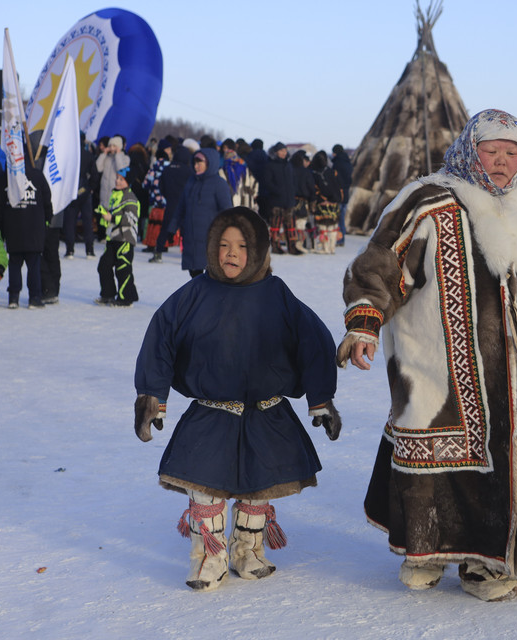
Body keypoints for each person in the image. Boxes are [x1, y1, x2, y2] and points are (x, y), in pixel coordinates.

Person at [339, 108, 517, 601]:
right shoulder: (426, 202)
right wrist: (365, 323)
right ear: (468, 149)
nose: (501, 162)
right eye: (491, 150)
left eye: (512, 153)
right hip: (433, 368)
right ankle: (428, 549)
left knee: (503, 458)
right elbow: (377, 268)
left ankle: (488, 565)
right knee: (434, 457)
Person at [133, 206, 340, 592]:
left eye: (243, 246)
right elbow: (160, 339)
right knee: (205, 489)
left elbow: (313, 342)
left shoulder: (277, 295)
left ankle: (248, 549)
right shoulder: (194, 294)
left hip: (266, 412)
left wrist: (321, 398)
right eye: (224, 245)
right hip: (212, 414)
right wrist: (152, 396)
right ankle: (209, 557)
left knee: (257, 490)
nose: (231, 253)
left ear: (259, 250)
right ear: (211, 248)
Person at [0, 151, 53, 309]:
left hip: (13, 230)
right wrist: (47, 221)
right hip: (35, 229)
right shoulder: (38, 176)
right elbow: (48, 201)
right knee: (34, 265)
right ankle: (34, 297)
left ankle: (14, 297)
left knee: (14, 264)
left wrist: (1, 227)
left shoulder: (6, 178)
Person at [165, 148, 233, 278]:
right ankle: (199, 298)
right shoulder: (191, 182)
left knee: (212, 275)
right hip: (191, 237)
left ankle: (210, 298)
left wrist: (229, 234)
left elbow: (227, 212)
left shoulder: (219, 184)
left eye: (199, 163)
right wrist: (172, 228)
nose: (196, 167)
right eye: (194, 163)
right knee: (195, 275)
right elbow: (181, 207)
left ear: (209, 163)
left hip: (211, 239)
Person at [95, 166, 139, 307]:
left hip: (125, 239)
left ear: (128, 182)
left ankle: (126, 298)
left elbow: (131, 218)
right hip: (113, 239)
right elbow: (110, 218)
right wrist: (103, 216)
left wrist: (111, 217)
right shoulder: (115, 195)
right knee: (104, 266)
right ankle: (107, 294)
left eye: (121, 179)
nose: (117, 181)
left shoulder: (131, 197)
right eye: (117, 178)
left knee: (123, 268)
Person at [62, 132, 99, 258]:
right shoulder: (89, 155)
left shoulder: (69, 155)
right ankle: (89, 250)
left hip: (71, 191)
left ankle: (70, 250)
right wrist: (90, 188)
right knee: (87, 221)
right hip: (85, 191)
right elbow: (95, 174)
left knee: (70, 221)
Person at [264, 143, 298, 255]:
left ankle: (292, 246)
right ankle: (275, 246)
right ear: (276, 152)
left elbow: (293, 181)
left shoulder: (289, 165)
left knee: (291, 225)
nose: (283, 153)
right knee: (275, 226)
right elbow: (267, 182)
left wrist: (293, 193)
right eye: (281, 151)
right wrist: (277, 191)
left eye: (285, 150)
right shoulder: (270, 165)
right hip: (276, 200)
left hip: (289, 200)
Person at [309, 150, 342, 254]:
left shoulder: (313, 173)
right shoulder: (333, 172)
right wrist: (335, 199)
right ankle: (332, 248)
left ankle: (325, 248)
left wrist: (321, 199)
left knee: (323, 227)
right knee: (333, 227)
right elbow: (339, 187)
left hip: (321, 204)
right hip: (334, 204)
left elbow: (314, 189)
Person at [220, 138, 258, 211]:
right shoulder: (243, 168)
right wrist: (253, 194)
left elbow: (252, 183)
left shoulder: (223, 170)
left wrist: (253, 193)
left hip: (238, 203)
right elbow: (253, 183)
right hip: (242, 205)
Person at [331, 144, 352, 246]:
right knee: (342, 218)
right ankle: (342, 239)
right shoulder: (348, 163)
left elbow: (335, 180)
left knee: (338, 219)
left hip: (339, 194)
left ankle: (338, 239)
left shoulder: (337, 163)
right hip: (346, 194)